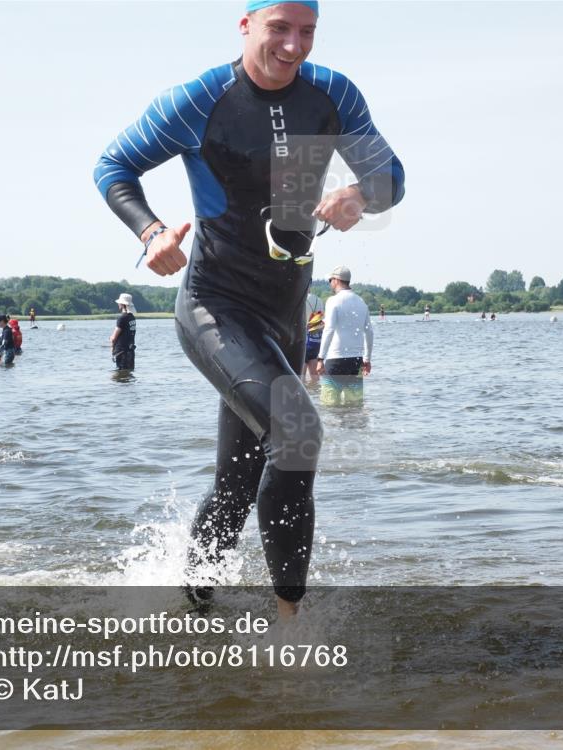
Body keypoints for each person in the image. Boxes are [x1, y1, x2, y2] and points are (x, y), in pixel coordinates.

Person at [93, 0, 405, 616]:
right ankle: (291, 623)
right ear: (245, 26)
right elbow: (113, 165)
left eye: (307, 32)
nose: (293, 46)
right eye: (279, 29)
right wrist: (151, 233)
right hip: (216, 305)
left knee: (238, 483)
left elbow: (392, 176)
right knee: (296, 431)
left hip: (286, 313)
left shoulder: (333, 94)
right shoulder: (199, 99)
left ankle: (193, 605)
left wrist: (361, 195)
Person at [315, 266, 373, 406]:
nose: (330, 283)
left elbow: (329, 329)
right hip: (356, 361)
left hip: (336, 360)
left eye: (330, 280)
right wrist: (367, 359)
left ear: (336, 280)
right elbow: (369, 332)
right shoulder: (361, 302)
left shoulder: (333, 301)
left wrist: (320, 358)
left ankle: (334, 429)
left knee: (329, 406)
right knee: (355, 406)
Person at [110, 293, 137, 371]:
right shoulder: (132, 317)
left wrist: (111, 346)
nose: (118, 304)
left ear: (122, 304)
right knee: (129, 375)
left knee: (120, 377)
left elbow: (113, 338)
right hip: (130, 352)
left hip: (121, 352)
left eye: (119, 303)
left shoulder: (122, 318)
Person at [303, 291, 325, 384]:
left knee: (300, 380)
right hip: (316, 341)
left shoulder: (301, 299)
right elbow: (321, 321)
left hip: (303, 341)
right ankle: (315, 397)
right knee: (315, 380)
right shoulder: (319, 300)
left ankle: (302, 398)